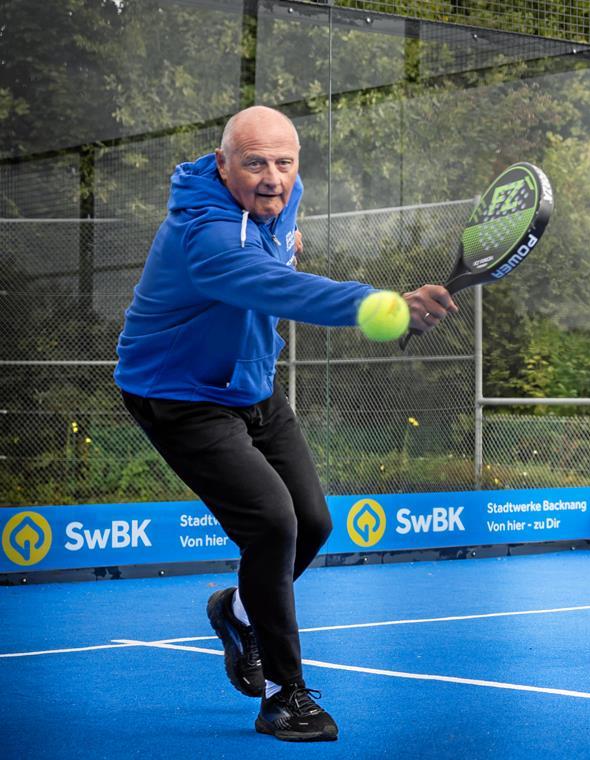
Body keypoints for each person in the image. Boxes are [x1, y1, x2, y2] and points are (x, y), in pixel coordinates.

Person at [114, 105, 457, 740]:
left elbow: (277, 256)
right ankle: (285, 697)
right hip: (177, 391)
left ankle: (237, 611)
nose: (273, 178)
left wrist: (284, 245)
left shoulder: (284, 196)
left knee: (314, 522)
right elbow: (285, 291)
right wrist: (388, 305)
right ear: (222, 166)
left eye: (284, 162)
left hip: (250, 382)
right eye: (254, 164)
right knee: (272, 523)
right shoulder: (207, 239)